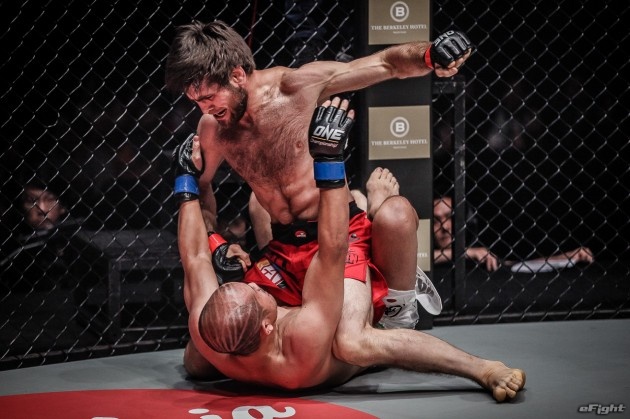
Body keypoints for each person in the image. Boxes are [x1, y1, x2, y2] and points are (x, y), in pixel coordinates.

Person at [175, 100, 526, 401]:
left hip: (293, 270)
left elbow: (194, 256)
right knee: (352, 342)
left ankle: (368, 215)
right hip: (333, 253)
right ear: (269, 328)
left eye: (243, 286)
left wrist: (186, 181)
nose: (252, 284)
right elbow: (332, 247)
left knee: (195, 363)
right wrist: (329, 159)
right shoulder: (300, 338)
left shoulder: (209, 343)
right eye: (254, 293)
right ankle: (479, 366)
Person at [164, 20, 473, 329]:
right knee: (236, 331)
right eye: (197, 102)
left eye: (209, 97)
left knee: (349, 336)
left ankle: (395, 295)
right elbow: (201, 190)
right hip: (284, 249)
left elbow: (385, 64)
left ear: (237, 75)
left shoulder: (295, 87)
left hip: (340, 234)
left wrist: (429, 55)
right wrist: (217, 242)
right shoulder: (213, 129)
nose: (205, 109)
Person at [433, 196, 594, 272]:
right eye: (435, 221)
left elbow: (518, 267)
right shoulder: (468, 254)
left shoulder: (477, 257)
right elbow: (420, 259)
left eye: (450, 217)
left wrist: (565, 258)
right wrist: (464, 252)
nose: (445, 227)